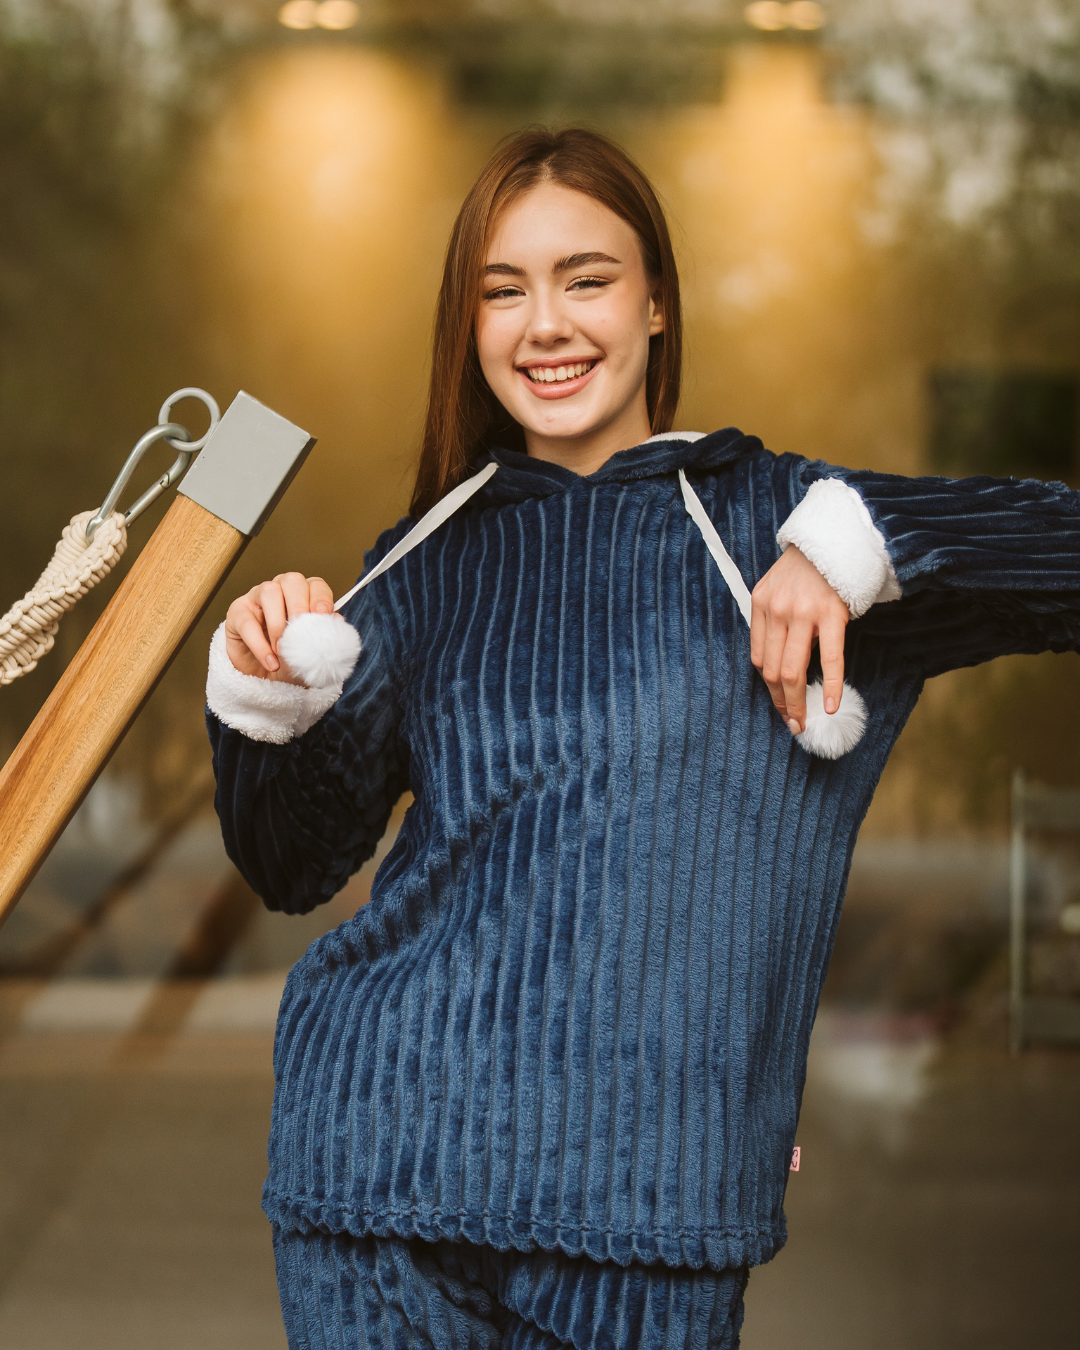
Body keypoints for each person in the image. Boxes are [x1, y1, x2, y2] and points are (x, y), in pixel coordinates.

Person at [205, 127, 1080, 1349]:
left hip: (654, 1205)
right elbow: (290, 865)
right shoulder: (425, 562)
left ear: (656, 300)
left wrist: (864, 542)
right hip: (379, 1173)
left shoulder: (782, 524)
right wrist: (265, 695)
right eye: (502, 291)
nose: (544, 324)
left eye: (587, 278)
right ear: (469, 327)